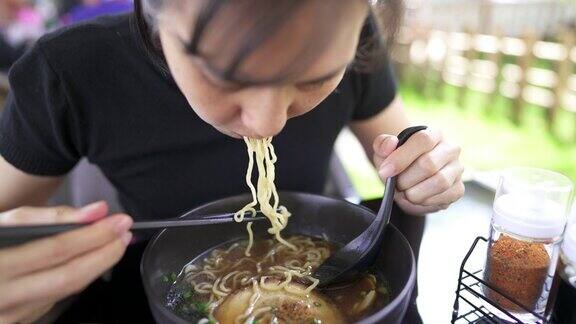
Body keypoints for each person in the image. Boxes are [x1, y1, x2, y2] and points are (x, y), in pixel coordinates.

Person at [0, 0, 465, 322]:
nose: (266, 124)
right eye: (224, 78)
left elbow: (401, 159)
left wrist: (423, 176)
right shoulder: (71, 70)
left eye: (316, 77)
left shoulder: (354, 32)